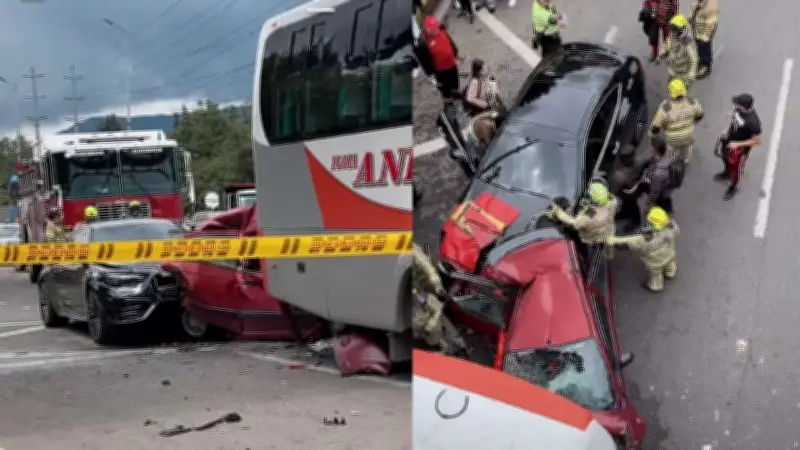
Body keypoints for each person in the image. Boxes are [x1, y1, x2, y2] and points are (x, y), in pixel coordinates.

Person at [606, 206, 679, 293]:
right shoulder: (671, 228)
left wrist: (613, 240)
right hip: (670, 254)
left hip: (655, 262)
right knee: (670, 265)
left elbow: (631, 240)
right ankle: (670, 273)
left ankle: (656, 286)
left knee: (655, 274)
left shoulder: (645, 239)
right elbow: (676, 230)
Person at [548, 180, 618, 258]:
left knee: (589, 253)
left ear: (593, 200)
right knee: (609, 244)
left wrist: (558, 211)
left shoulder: (588, 217)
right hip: (608, 230)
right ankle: (609, 256)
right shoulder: (613, 203)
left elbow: (573, 223)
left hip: (592, 238)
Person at [715, 93, 762, 200]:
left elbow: (757, 141)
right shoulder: (738, 110)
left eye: (737, 103)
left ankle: (734, 186)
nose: (735, 104)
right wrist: (727, 130)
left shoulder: (753, 122)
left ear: (743, 106)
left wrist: (737, 144)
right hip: (729, 140)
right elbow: (734, 122)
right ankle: (727, 172)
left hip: (739, 148)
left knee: (736, 169)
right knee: (724, 156)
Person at [649, 78, 704, 163]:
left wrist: (652, 135)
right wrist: (693, 121)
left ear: (670, 92)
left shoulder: (665, 108)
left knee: (670, 154)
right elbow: (700, 115)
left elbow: (655, 127)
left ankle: (672, 164)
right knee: (686, 152)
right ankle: (684, 162)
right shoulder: (692, 102)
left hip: (672, 139)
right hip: (688, 136)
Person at [639, 135, 683, 214]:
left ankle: (668, 218)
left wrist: (648, 205)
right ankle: (669, 212)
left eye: (651, 146)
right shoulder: (670, 153)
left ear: (654, 150)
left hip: (662, 193)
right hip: (667, 188)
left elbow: (654, 192)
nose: (649, 148)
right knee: (666, 202)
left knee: (663, 204)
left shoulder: (658, 174)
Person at [609, 145, 646, 232]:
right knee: (628, 205)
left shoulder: (620, 176)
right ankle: (624, 213)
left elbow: (613, 192)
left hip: (627, 193)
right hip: (636, 189)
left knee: (632, 207)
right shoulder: (640, 162)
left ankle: (636, 221)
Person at [656, 14, 699, 89]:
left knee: (680, 92)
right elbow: (666, 46)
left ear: (680, 30)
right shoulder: (672, 36)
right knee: (671, 87)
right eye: (671, 31)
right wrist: (660, 54)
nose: (672, 33)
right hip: (672, 69)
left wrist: (691, 76)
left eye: (674, 31)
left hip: (683, 74)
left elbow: (694, 60)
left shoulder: (688, 44)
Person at [423, 17, 461, 99]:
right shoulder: (424, 42)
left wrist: (456, 55)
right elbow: (425, 61)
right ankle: (448, 101)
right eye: (433, 29)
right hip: (440, 70)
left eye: (436, 27)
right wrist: (430, 74)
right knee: (444, 86)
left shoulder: (442, 31)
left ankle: (455, 93)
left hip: (452, 64)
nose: (436, 30)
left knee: (455, 81)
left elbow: (451, 43)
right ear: (427, 29)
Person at [690, 0, 719, 78]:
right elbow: (694, 9)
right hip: (697, 28)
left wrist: (706, 37)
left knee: (705, 48)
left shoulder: (712, 4)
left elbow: (711, 23)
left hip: (705, 32)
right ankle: (701, 61)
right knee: (699, 47)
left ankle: (706, 67)